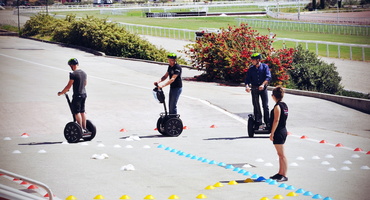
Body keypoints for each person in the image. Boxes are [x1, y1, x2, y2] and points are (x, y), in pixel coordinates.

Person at [58, 58, 88, 132]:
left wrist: (61, 93)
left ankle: (80, 129)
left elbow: (68, 86)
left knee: (76, 112)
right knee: (82, 111)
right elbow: (85, 84)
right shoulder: (84, 73)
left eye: (70, 65)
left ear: (72, 65)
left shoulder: (73, 74)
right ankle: (85, 128)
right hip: (84, 94)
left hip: (77, 95)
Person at [245, 53, 271, 128]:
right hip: (254, 88)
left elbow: (268, 77)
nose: (252, 61)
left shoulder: (265, 67)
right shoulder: (251, 69)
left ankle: (267, 122)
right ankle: (258, 122)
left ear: (258, 60)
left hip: (263, 88)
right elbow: (247, 80)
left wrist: (263, 84)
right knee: (256, 105)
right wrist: (247, 87)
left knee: (265, 106)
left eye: (253, 60)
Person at [269, 86, 289, 182]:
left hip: (279, 132)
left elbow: (276, 120)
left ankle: (284, 175)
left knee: (282, 155)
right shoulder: (284, 105)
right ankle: (280, 173)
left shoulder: (277, 106)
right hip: (283, 130)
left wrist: (272, 133)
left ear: (274, 96)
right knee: (280, 154)